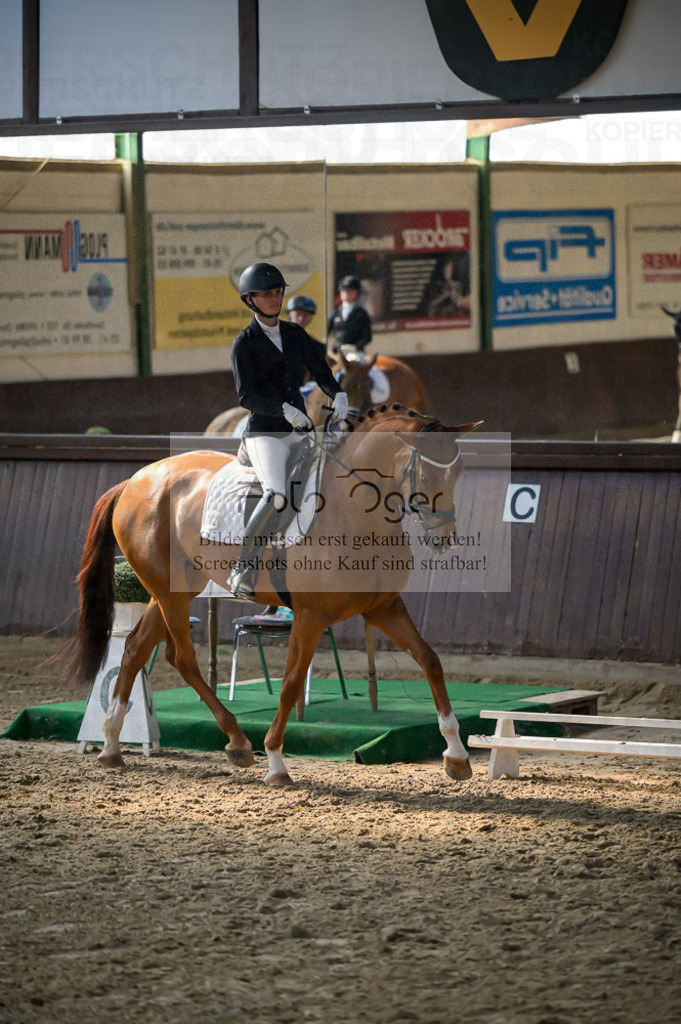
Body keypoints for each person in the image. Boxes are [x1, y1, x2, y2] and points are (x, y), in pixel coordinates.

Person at [229, 262, 348, 598]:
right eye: (266, 294)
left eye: (278, 292)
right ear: (250, 300)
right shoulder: (244, 343)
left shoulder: (295, 334)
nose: (274, 298)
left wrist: (338, 393)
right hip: (266, 433)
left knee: (330, 477)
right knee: (277, 494)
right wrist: (284, 409)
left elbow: (321, 372)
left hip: (299, 428)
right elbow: (246, 397)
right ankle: (242, 568)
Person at [286, 295, 328, 384]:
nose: (301, 318)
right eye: (298, 314)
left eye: (305, 315)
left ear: (310, 319)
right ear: (290, 314)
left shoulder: (318, 347)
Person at [328, 274, 372, 353]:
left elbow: (367, 337)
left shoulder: (361, 313)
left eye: (349, 291)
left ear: (356, 293)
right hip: (337, 351)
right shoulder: (336, 312)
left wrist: (355, 347)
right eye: (344, 291)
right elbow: (327, 330)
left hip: (355, 352)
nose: (346, 294)